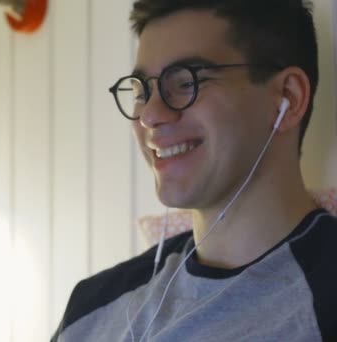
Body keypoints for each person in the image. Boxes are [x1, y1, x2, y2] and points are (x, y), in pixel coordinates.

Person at [51, 0, 337, 341]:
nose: (150, 115)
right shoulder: (91, 306)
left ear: (286, 97)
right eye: (142, 90)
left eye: (186, 82)